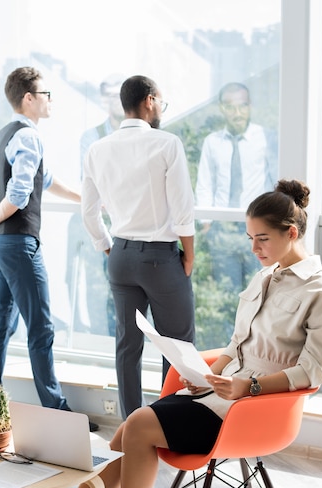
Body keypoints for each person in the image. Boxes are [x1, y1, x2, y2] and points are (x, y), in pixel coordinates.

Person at [0, 179, 322, 488]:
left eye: (262, 239)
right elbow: (236, 345)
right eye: (250, 238)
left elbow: (314, 372)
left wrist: (246, 387)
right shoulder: (264, 277)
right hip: (219, 395)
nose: (254, 249)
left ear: (292, 233)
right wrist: (206, 374)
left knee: (140, 425)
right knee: (126, 431)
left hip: (252, 408)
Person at [0, 66, 99, 432]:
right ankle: (57, 412)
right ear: (29, 98)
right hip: (17, 243)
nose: (50, 100)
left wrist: (89, 198)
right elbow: (20, 192)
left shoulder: (5, 135)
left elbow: (47, 179)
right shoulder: (29, 136)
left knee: (0, 325)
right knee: (40, 328)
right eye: (46, 94)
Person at [81, 74, 196, 420]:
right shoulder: (166, 143)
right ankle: (168, 422)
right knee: (177, 345)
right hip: (161, 259)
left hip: (121, 256)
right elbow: (182, 208)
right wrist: (189, 255)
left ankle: (133, 423)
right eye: (161, 101)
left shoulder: (97, 149)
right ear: (149, 100)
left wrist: (109, 249)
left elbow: (88, 212)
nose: (161, 107)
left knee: (127, 345)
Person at [66, 74, 125, 337]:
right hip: (102, 219)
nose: (115, 101)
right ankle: (101, 338)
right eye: (110, 95)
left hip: (128, 220)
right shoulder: (92, 136)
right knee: (98, 284)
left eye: (119, 94)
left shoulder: (140, 136)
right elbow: (89, 181)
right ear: (103, 100)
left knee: (125, 285)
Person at [195, 82, 278, 208]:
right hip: (221, 220)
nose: (238, 113)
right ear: (222, 108)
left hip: (258, 218)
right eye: (230, 108)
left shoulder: (267, 138)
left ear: (250, 105)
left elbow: (277, 181)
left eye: (243, 106)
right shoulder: (212, 142)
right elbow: (205, 185)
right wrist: (205, 221)